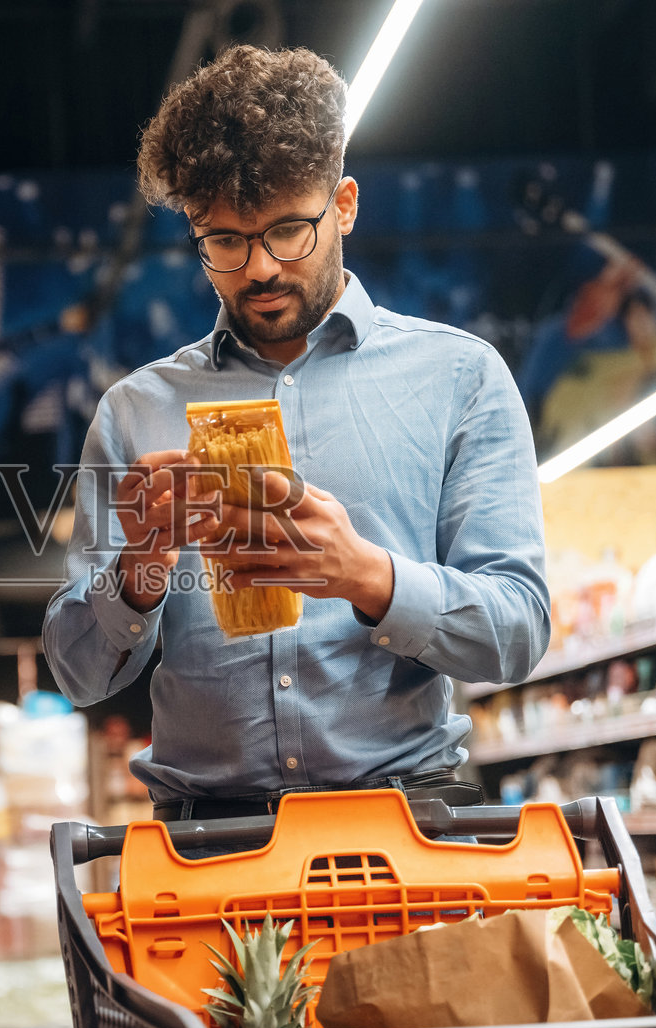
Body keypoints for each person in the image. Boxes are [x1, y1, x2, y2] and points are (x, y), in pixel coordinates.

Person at [41, 46, 550, 823]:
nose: (260, 270)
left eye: (288, 231)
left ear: (343, 204)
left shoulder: (460, 378)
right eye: (225, 242)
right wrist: (141, 569)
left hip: (406, 830)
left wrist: (368, 576)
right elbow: (77, 672)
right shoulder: (135, 411)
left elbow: (516, 628)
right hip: (206, 842)